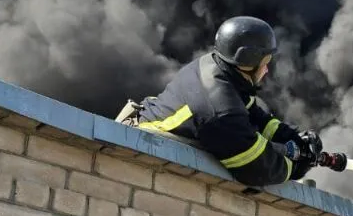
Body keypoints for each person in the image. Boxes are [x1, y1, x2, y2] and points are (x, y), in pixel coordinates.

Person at [116, 16, 322, 187]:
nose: (267, 70)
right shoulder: (218, 108)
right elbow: (255, 166)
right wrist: (294, 167)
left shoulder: (220, 67)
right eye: (265, 63)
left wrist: (294, 138)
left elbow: (253, 115)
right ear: (247, 60)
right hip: (136, 156)